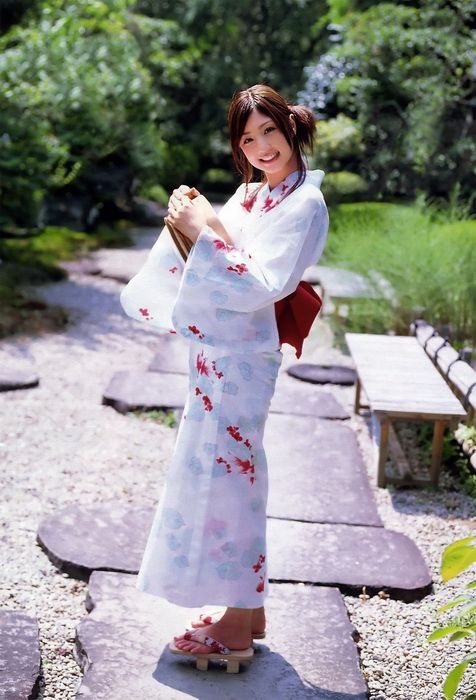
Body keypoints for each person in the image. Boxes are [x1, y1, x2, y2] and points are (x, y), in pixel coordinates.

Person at [120, 84, 329, 671]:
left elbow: (262, 281)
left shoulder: (304, 204)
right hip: (218, 352)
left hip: (243, 360)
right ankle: (248, 609)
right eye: (248, 138)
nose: (262, 147)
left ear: (292, 129)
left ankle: (237, 626)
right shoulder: (256, 193)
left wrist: (204, 223)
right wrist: (190, 222)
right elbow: (216, 246)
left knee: (232, 480)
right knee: (211, 471)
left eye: (270, 132)